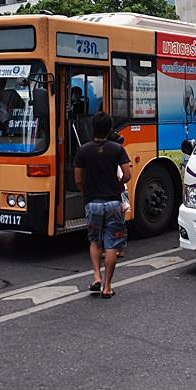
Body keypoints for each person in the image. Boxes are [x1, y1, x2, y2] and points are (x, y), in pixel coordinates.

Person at [74, 112, 131, 299]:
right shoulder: (117, 149)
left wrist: (87, 191)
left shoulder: (83, 150)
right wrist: (118, 183)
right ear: (109, 129)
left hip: (93, 203)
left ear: (93, 128)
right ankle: (107, 287)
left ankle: (96, 276)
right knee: (112, 244)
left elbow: (78, 179)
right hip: (114, 202)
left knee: (94, 241)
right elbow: (127, 175)